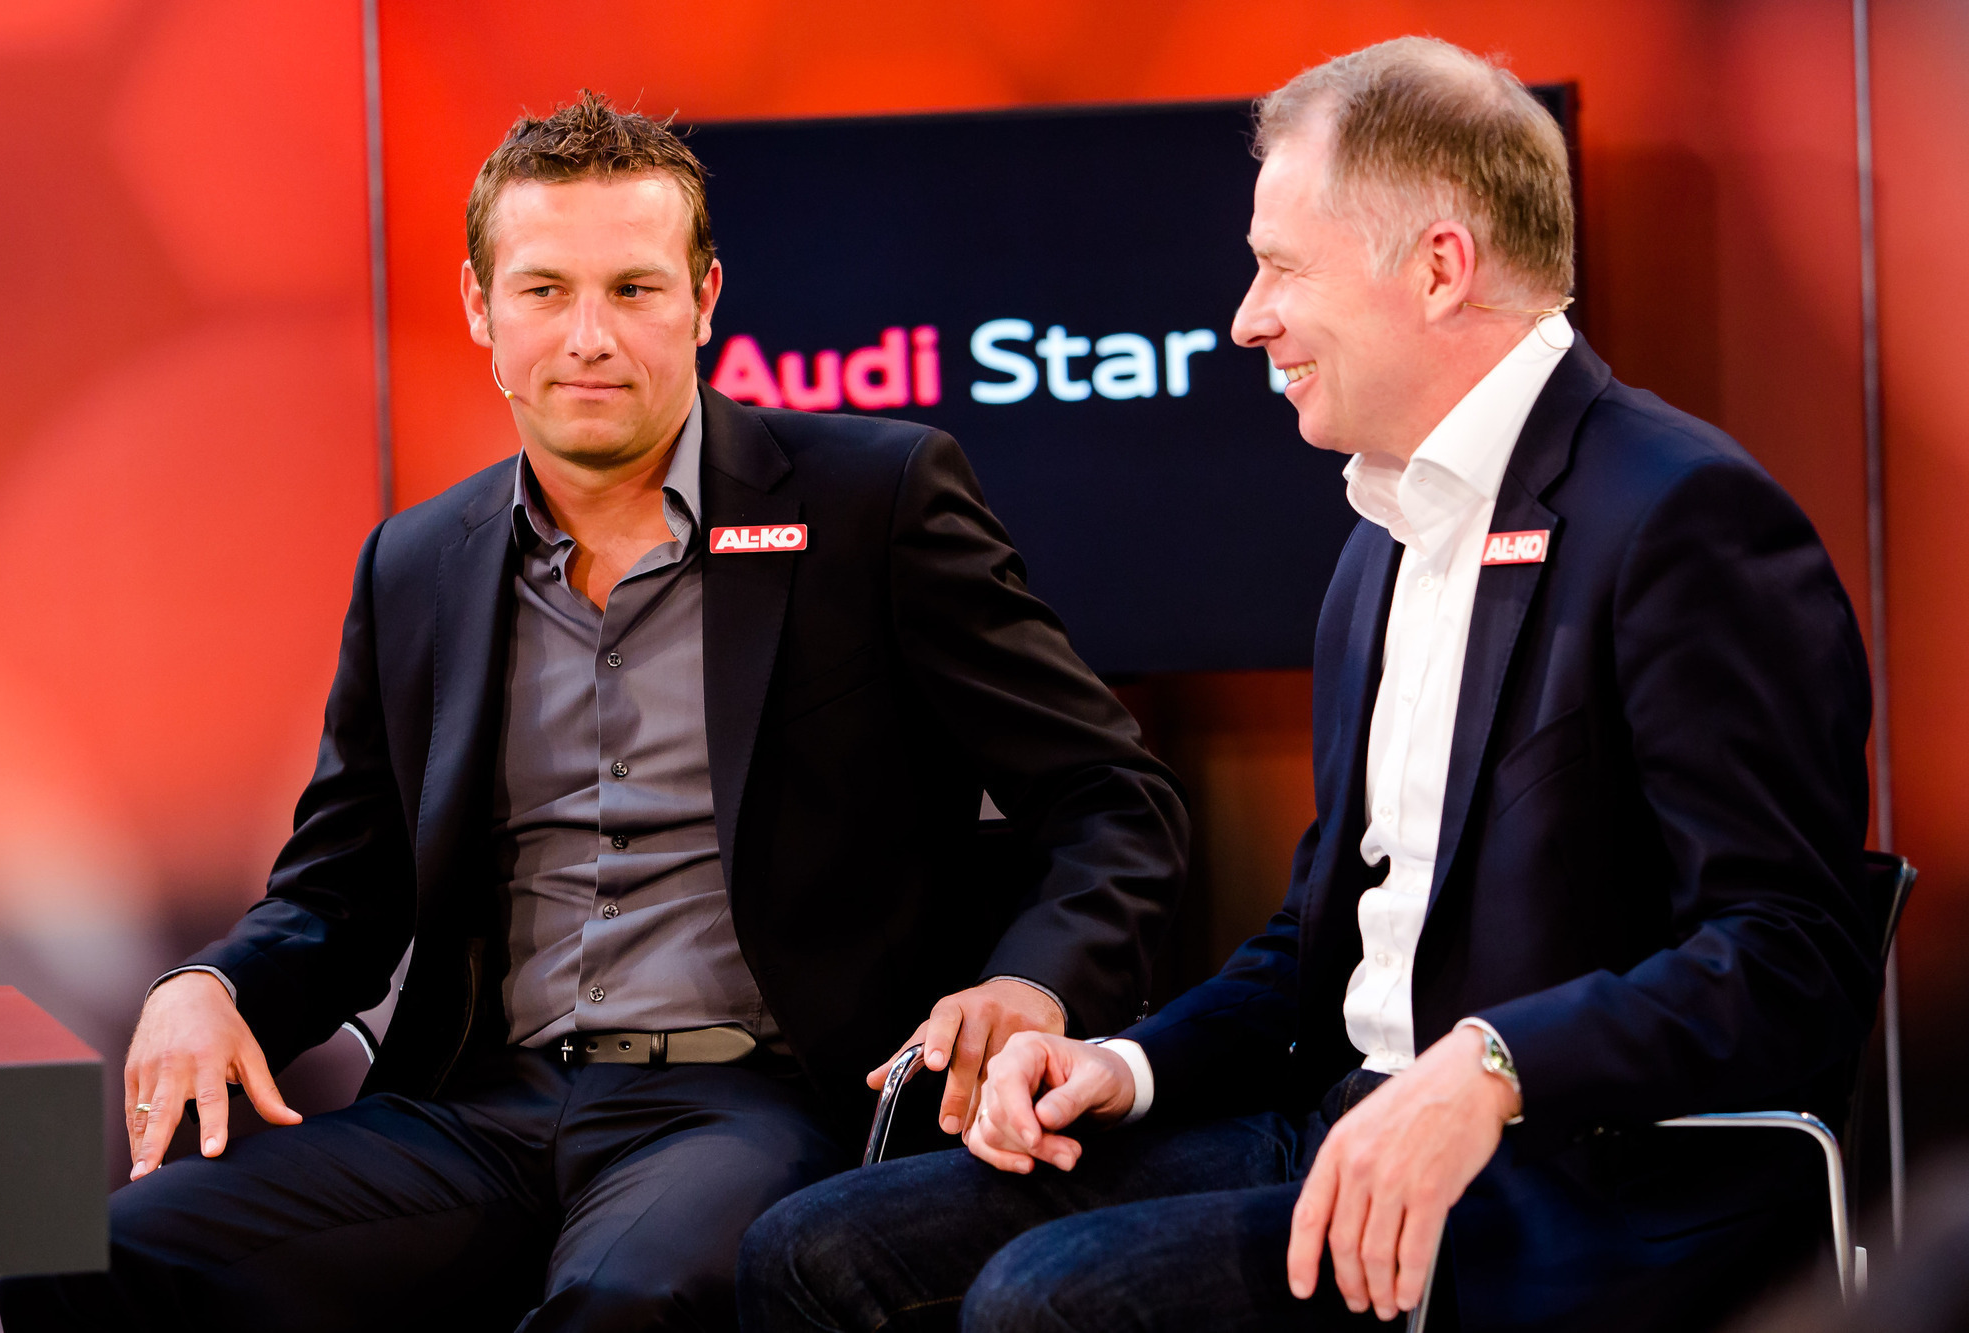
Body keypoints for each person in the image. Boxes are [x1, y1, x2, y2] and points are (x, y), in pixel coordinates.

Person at [0, 92, 1188, 1333]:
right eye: (544, 291)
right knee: (83, 1260)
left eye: (632, 290)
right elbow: (343, 889)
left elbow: (1113, 800)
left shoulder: (871, 501)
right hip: (477, 1111)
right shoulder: (416, 562)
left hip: (752, 1103)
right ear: (479, 310)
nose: (588, 339)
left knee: (625, 1304)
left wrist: (1033, 990)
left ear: (705, 299)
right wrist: (213, 984)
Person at [738, 36, 1877, 1333]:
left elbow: (1788, 960)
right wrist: (1124, 1064)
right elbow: (1316, 946)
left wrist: (1497, 1068)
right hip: (1331, 1121)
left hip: (1574, 1175)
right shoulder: (1378, 539)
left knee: (1043, 1306)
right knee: (810, 1253)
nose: (1246, 317)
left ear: (1440, 267)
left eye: (1281, 267)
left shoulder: (1683, 518)